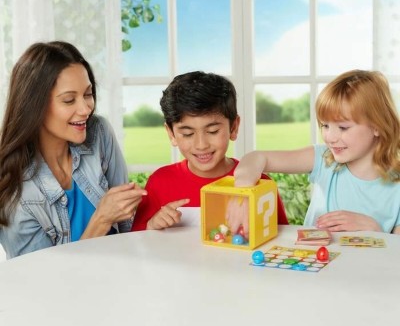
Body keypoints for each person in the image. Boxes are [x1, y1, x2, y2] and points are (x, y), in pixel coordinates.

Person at [0, 41, 147, 258]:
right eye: (69, 100)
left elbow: (128, 225)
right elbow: (41, 276)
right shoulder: (15, 194)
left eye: (88, 94)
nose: (86, 109)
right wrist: (101, 220)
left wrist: (151, 224)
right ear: (35, 106)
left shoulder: (99, 133)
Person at [230, 69, 400, 236]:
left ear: (377, 126)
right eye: (325, 125)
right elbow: (258, 157)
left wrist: (375, 229)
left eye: (343, 127)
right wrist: (243, 192)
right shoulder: (324, 158)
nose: (330, 137)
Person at [131, 71, 288, 231]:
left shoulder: (259, 183)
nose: (201, 145)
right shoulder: (159, 183)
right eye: (188, 133)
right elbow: (135, 241)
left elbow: (283, 238)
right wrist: (152, 225)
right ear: (171, 134)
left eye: (213, 131)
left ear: (234, 127)